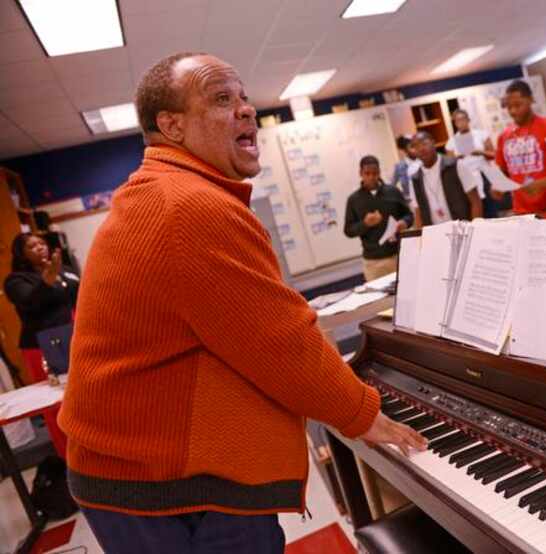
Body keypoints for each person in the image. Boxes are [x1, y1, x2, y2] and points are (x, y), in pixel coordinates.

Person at [57, 52, 425, 553]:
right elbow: (279, 343)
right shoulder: (189, 206)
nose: (247, 110)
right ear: (172, 126)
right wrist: (365, 415)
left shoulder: (166, 193)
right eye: (222, 99)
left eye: (245, 97)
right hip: (163, 488)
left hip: (139, 473)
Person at [4, 233, 79, 457]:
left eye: (41, 243)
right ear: (22, 253)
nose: (39, 248)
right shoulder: (16, 280)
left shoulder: (62, 269)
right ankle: (68, 457)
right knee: (55, 404)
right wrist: (47, 281)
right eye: (32, 246)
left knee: (81, 397)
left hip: (72, 339)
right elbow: (29, 302)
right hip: (41, 348)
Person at [495, 79, 546, 218]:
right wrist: (497, 186)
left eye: (518, 105)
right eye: (509, 107)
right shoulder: (503, 137)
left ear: (530, 100)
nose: (513, 111)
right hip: (521, 211)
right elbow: (503, 172)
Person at [344, 155, 413, 280]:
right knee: (379, 300)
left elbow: (409, 215)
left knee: (407, 296)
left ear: (379, 172)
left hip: (398, 256)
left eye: (375, 173)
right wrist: (365, 224)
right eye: (367, 173)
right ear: (360, 173)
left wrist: (405, 222)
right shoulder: (354, 199)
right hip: (373, 263)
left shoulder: (393, 191)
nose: (371, 177)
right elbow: (348, 230)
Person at [409, 131, 483, 227]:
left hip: (463, 229)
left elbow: (475, 201)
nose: (421, 149)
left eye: (424, 143)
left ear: (433, 142)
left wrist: (474, 229)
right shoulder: (415, 179)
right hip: (435, 234)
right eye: (416, 146)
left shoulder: (455, 165)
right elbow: (418, 213)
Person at [445, 109, 498, 217]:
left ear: (468, 120)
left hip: (484, 175)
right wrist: (457, 157)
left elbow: (494, 155)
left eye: (463, 119)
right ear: (455, 123)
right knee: (474, 209)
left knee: (490, 209)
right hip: (465, 178)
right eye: (457, 121)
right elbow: (449, 165)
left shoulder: (481, 134)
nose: (461, 123)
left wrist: (481, 152)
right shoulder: (451, 142)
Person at [389, 135, 420, 200]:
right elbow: (391, 185)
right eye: (412, 147)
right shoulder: (400, 166)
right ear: (405, 150)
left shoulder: (423, 160)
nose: (415, 149)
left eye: (416, 146)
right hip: (410, 201)